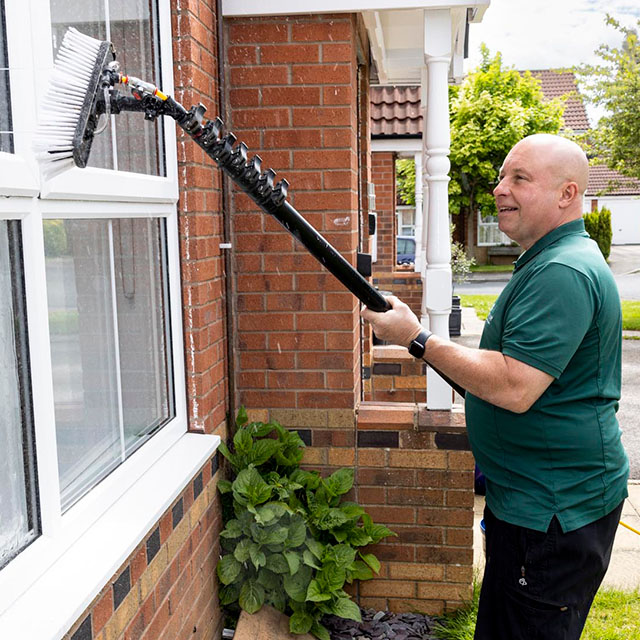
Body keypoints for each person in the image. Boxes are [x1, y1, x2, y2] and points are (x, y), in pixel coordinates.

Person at [362, 134, 629, 640]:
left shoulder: (563, 271)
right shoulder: (550, 259)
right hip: (535, 504)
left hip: (553, 513)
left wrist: (415, 337)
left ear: (566, 194)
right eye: (502, 176)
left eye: (519, 179)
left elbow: (513, 386)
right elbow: (494, 375)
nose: (500, 189)